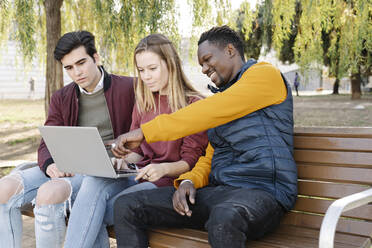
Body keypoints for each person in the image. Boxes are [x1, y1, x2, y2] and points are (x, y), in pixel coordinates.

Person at [112, 25, 298, 248]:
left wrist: (145, 133)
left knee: (224, 216)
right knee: (127, 205)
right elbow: (211, 155)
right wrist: (189, 181)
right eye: (201, 64)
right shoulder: (223, 100)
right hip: (219, 193)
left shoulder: (265, 75)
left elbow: (209, 110)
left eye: (208, 59)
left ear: (230, 50)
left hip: (263, 193)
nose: (204, 69)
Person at [63, 34, 208, 248]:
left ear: (171, 64)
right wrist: (122, 162)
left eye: (152, 69)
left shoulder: (193, 104)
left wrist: (162, 168)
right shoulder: (144, 101)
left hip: (167, 183)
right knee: (94, 183)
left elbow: (191, 161)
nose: (146, 76)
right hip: (138, 175)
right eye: (141, 70)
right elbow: (139, 150)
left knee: (93, 209)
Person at [0, 30, 135, 248]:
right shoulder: (62, 97)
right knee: (4, 189)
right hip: (70, 166)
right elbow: (46, 143)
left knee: (49, 194)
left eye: (81, 63)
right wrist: (50, 165)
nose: (77, 72)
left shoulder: (129, 88)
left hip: (106, 172)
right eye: (69, 68)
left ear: (96, 57)